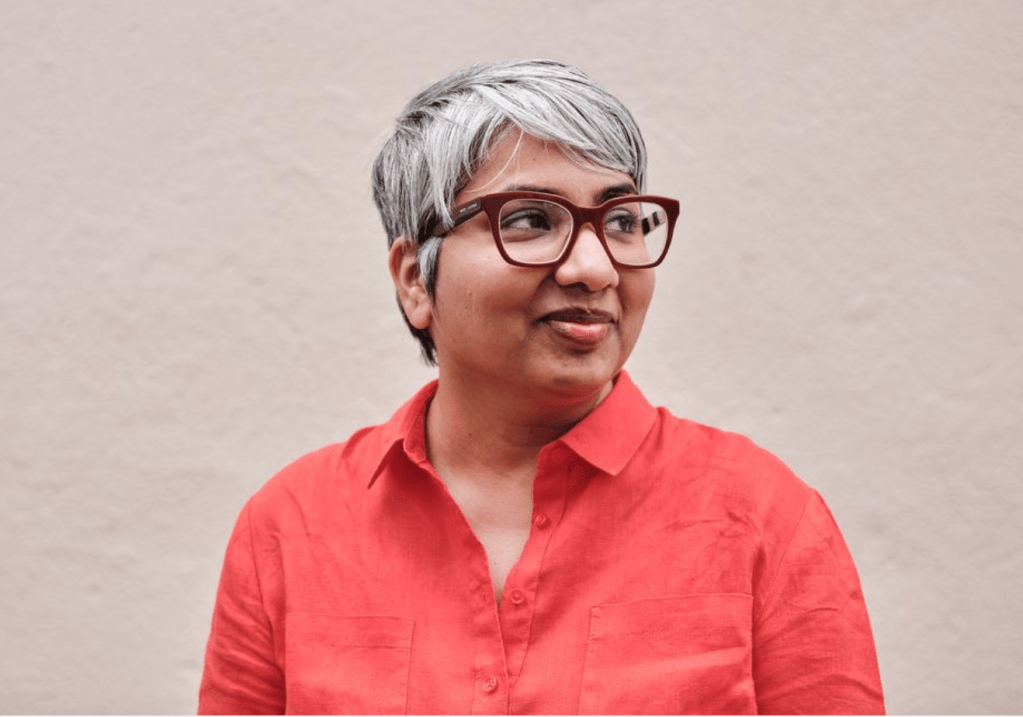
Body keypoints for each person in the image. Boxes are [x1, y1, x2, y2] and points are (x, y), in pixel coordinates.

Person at [198, 59, 884, 715]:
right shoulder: (291, 529)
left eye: (621, 221)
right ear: (414, 279)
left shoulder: (763, 519)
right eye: (529, 219)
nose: (595, 268)